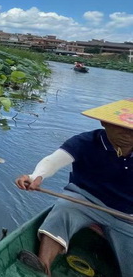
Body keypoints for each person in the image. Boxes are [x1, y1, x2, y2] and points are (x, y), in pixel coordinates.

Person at [15, 99, 133, 276]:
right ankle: (43, 266)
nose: (128, 135)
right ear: (104, 122)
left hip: (126, 214)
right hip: (84, 201)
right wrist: (35, 176)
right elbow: (53, 161)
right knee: (63, 209)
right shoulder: (86, 142)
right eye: (121, 127)